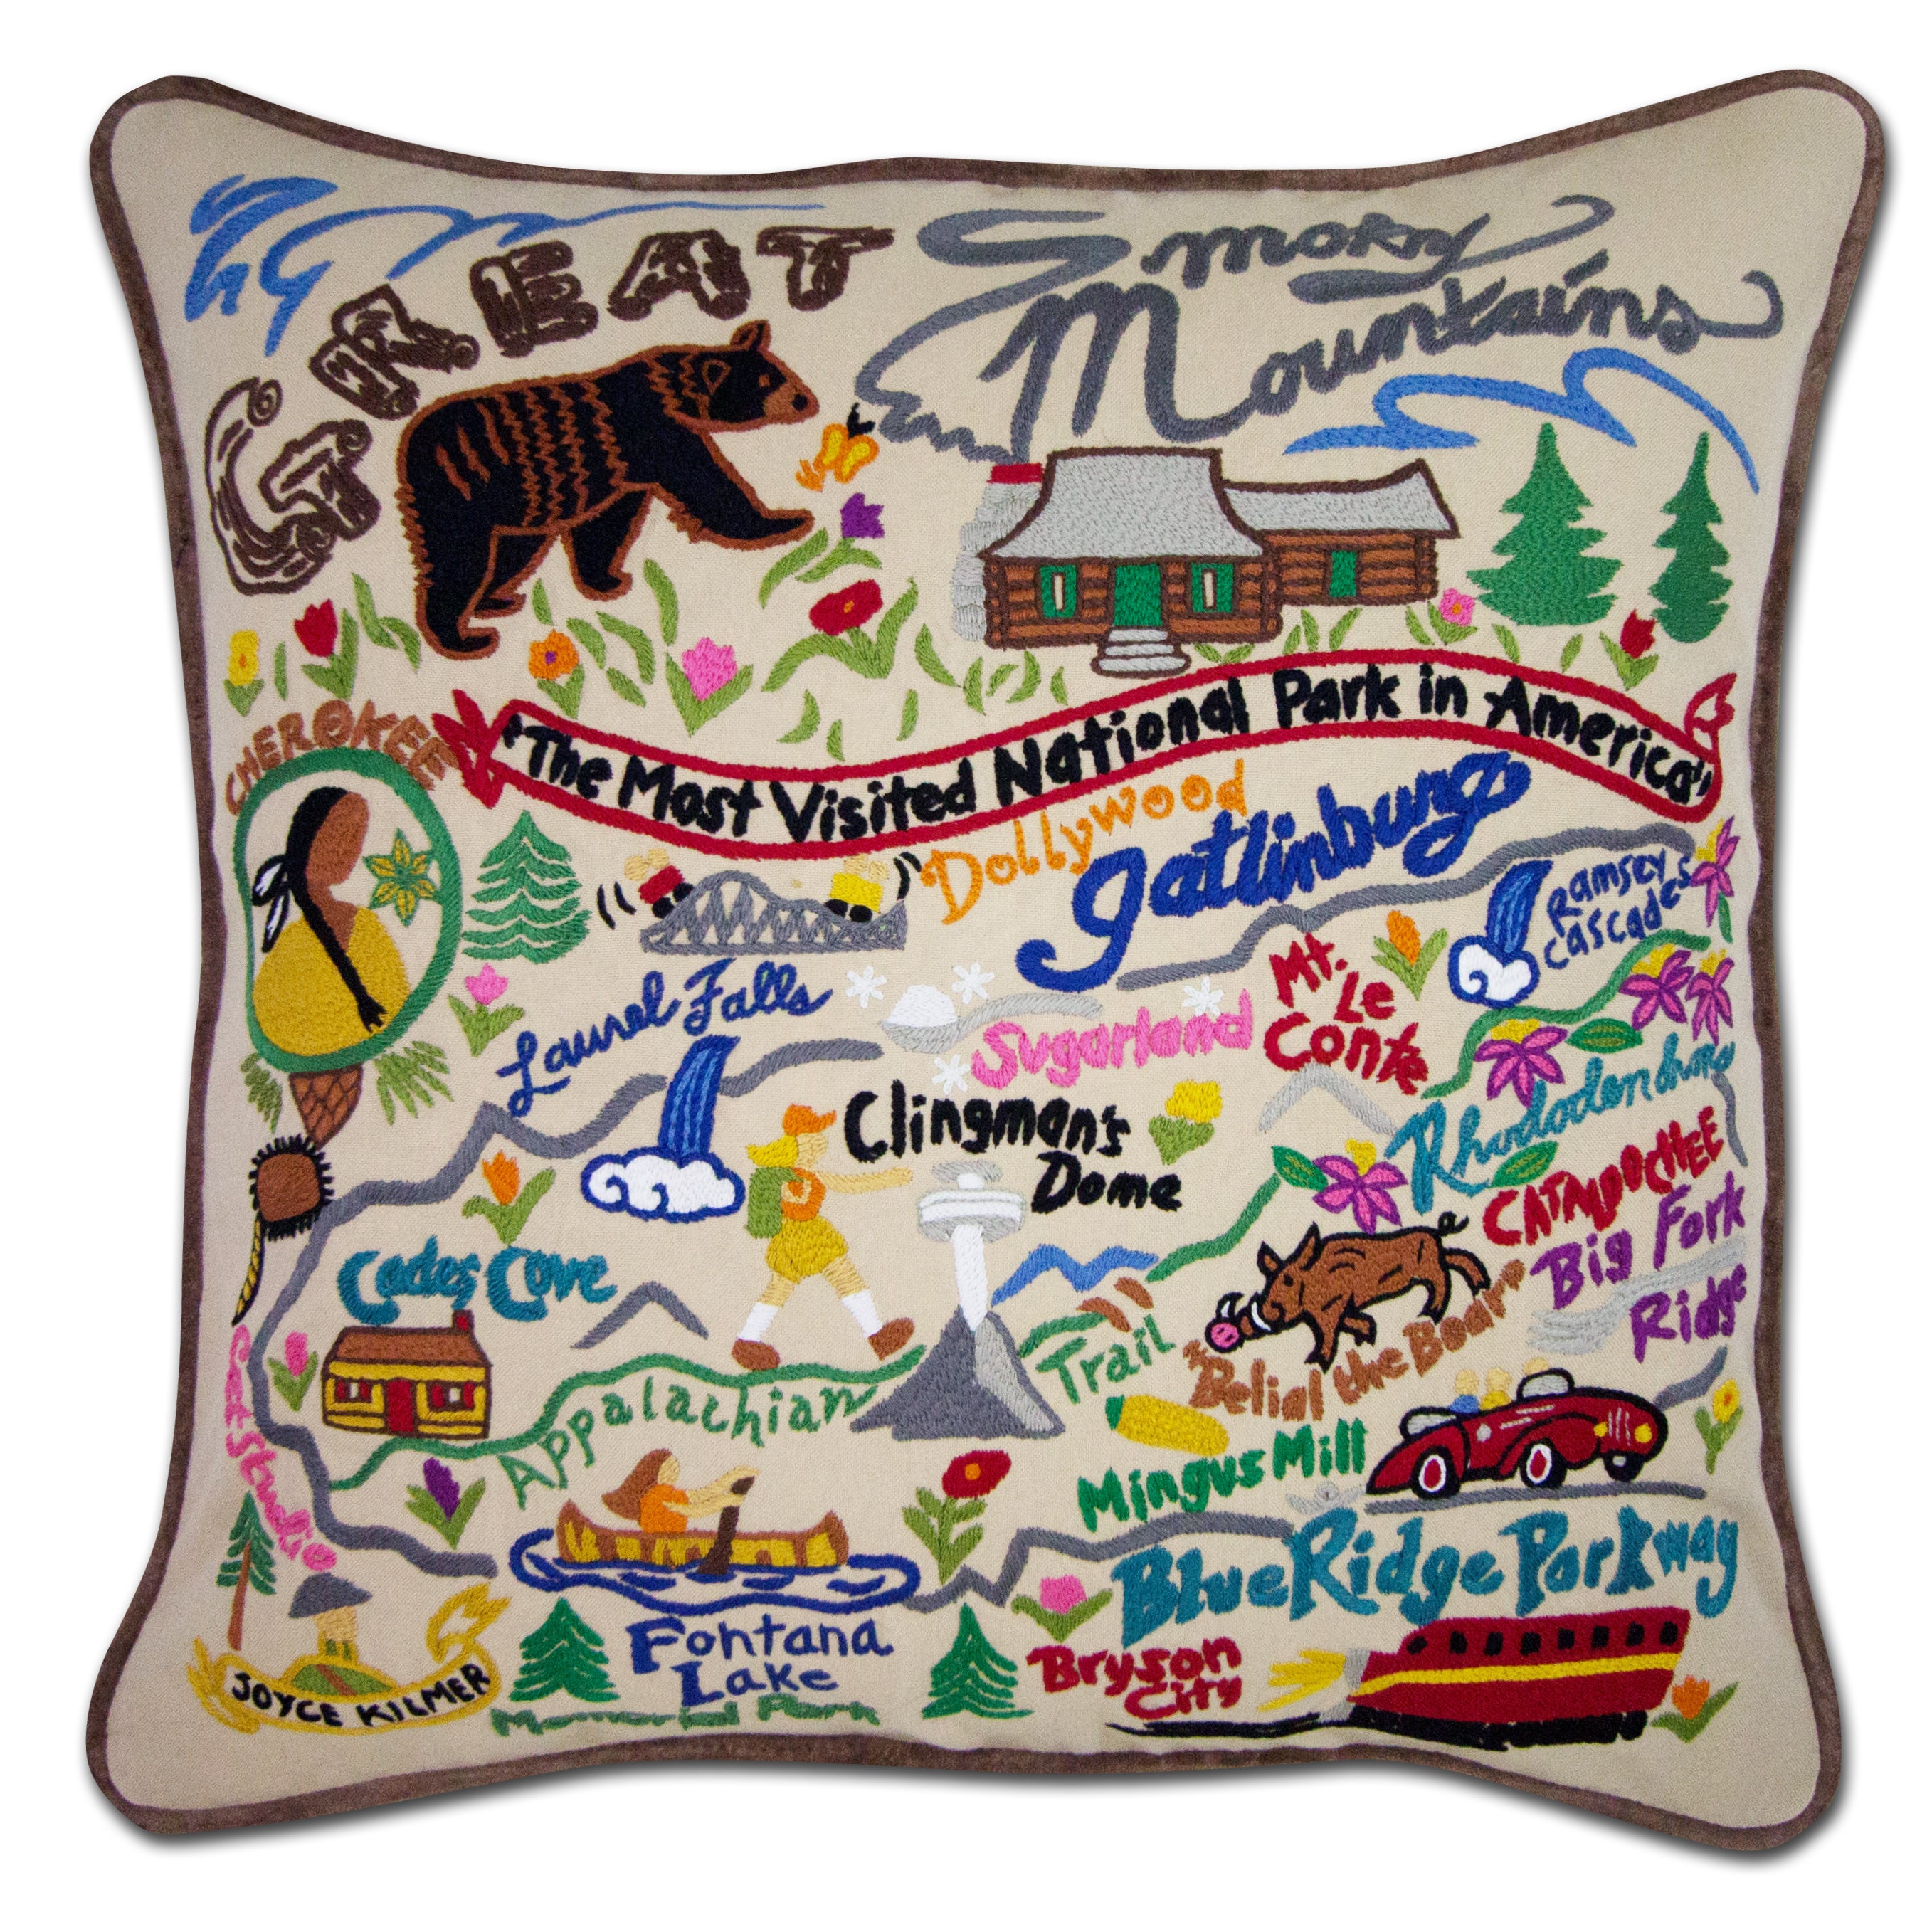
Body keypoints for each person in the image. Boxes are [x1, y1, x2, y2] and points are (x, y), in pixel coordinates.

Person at [733, 1103, 912, 1370]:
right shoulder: (787, 1177)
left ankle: (747, 1339)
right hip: (802, 1239)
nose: (820, 1143)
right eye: (815, 1136)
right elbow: (801, 1201)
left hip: (808, 1237)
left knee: (792, 1285)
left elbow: (852, 1184)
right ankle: (876, 1334)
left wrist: (889, 1178)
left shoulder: (811, 1175)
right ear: (801, 1142)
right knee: (831, 1277)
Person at [250, 788, 409, 1057]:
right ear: (307, 843)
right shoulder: (292, 945)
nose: (348, 850)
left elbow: (396, 996)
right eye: (337, 835)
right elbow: (272, 1017)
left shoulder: (366, 927)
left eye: (355, 837)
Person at [601, 1451, 757, 1534]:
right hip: (667, 1543)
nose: (675, 1473)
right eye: (671, 1469)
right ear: (657, 1472)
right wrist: (726, 1500)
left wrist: (733, 1476)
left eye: (676, 1468)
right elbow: (695, 1509)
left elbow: (702, 1495)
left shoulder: (665, 1493)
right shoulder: (659, 1495)